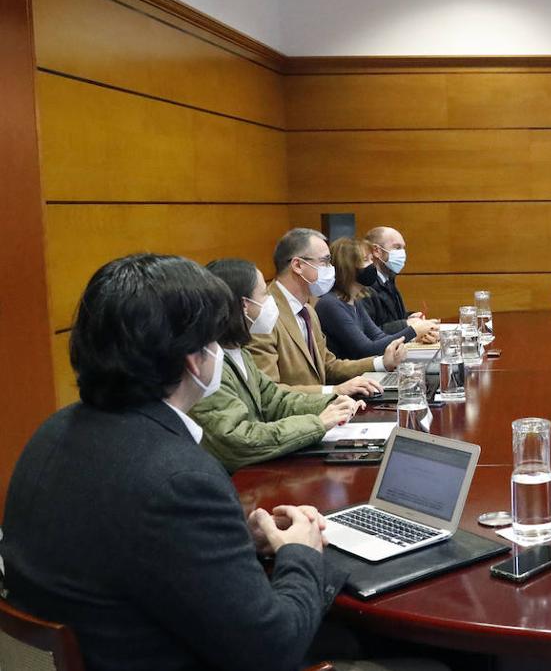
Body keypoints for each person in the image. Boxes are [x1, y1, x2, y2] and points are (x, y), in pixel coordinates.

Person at [0, 254, 345, 671]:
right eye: (215, 341)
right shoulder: (179, 478)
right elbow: (274, 649)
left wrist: (235, 541)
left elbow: (138, 552)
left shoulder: (51, 433)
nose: (221, 352)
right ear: (192, 360)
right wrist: (301, 554)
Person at [189, 258, 366, 472]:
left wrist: (331, 403)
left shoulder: (239, 352)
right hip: (234, 482)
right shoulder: (207, 364)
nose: (270, 300)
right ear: (244, 305)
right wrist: (318, 423)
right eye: (264, 293)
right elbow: (237, 440)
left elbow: (275, 400)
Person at [250, 228, 406, 395]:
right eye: (324, 261)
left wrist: (382, 362)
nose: (331, 269)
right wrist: (334, 390)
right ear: (298, 265)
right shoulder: (263, 314)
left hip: (324, 410)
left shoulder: (308, 310)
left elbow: (328, 366)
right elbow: (269, 392)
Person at [317, 238, 438, 360]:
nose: (372, 265)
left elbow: (379, 337)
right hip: (347, 377)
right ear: (348, 267)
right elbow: (366, 350)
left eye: (371, 259)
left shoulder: (354, 300)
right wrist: (413, 331)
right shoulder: (330, 304)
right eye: (365, 260)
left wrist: (414, 336)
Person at [361, 226, 424, 334]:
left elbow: (391, 318)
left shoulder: (388, 280)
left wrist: (411, 318)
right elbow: (369, 332)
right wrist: (406, 325)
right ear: (376, 251)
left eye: (403, 248)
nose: (403, 254)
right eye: (397, 247)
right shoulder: (365, 285)